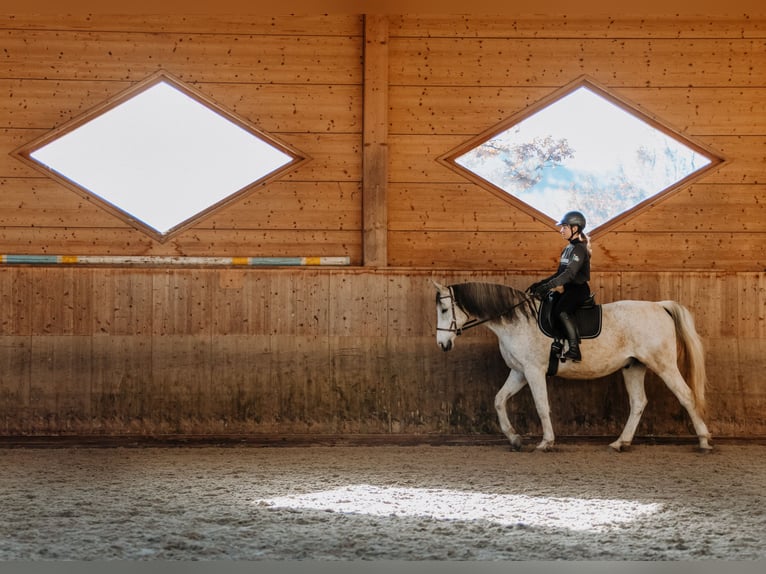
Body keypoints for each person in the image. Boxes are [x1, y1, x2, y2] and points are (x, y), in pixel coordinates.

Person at [528, 211, 591, 361]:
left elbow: (569, 274)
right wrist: (541, 284)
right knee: (548, 304)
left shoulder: (580, 249)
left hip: (578, 289)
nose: (561, 230)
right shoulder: (567, 249)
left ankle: (575, 350)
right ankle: (557, 342)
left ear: (575, 228)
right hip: (567, 288)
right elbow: (559, 273)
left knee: (562, 311)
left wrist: (550, 285)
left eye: (564, 227)